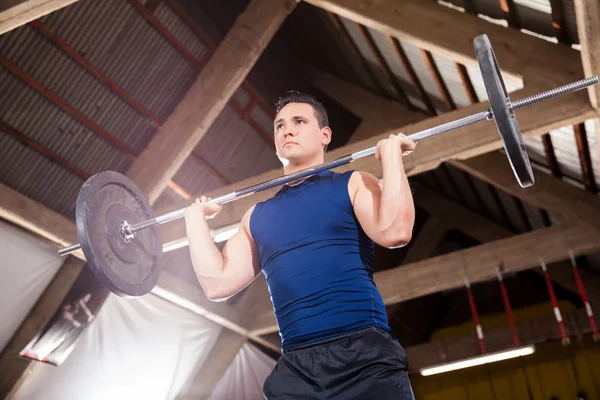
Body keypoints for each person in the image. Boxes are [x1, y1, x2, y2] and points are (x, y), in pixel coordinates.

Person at [184, 91, 417, 399]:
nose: (286, 130)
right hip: (298, 371)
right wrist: (194, 220)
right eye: (279, 125)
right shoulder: (257, 217)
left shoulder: (353, 183)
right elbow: (216, 284)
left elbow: (396, 231)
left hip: (365, 358)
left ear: (325, 135)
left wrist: (392, 158)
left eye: (298, 121)